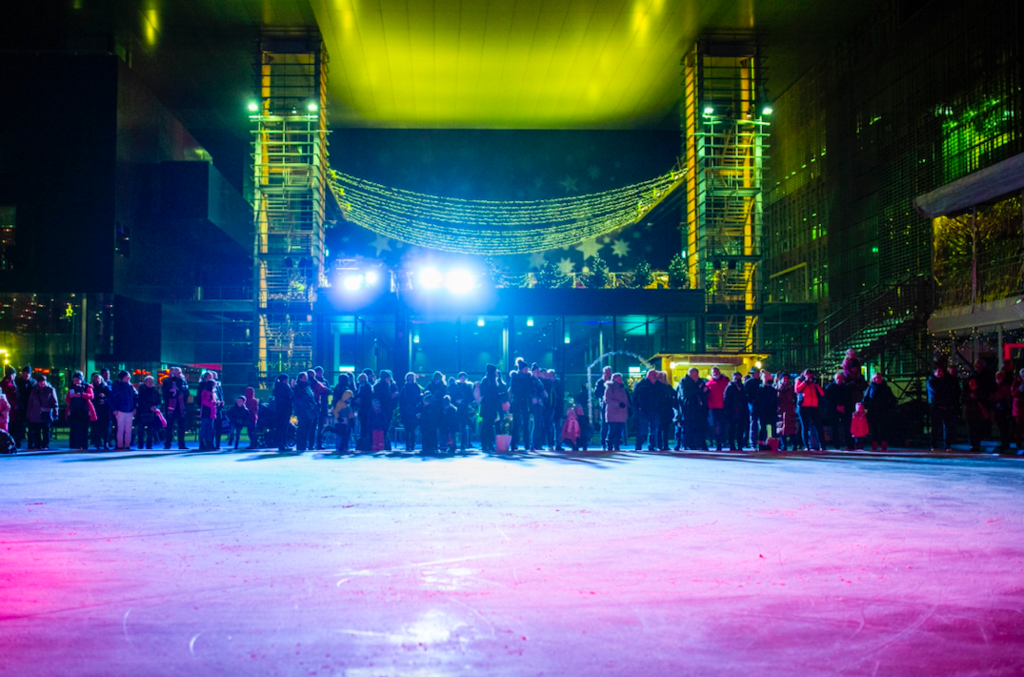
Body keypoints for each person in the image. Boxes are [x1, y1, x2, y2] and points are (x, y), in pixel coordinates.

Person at [862, 372, 897, 451]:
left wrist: (890, 406)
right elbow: (865, 399)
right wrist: (868, 405)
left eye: (879, 377)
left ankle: (884, 444)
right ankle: (874, 444)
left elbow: (892, 399)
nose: (878, 379)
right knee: (874, 429)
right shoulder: (870, 388)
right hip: (873, 411)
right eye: (876, 378)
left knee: (884, 428)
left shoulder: (886, 388)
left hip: (884, 411)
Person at [927, 365, 958, 451]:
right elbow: (936, 392)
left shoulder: (947, 381)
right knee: (935, 427)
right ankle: (933, 445)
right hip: (936, 407)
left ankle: (947, 445)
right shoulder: (931, 381)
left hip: (946, 406)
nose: (940, 373)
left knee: (947, 427)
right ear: (934, 372)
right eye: (939, 371)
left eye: (942, 372)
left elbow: (951, 392)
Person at [678, 368, 709, 450]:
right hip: (688, 408)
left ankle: (700, 443)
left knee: (700, 427)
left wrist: (705, 390)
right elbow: (686, 394)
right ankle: (688, 444)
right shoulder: (684, 382)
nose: (696, 377)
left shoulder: (701, 381)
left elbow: (705, 391)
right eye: (695, 375)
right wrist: (699, 390)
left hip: (700, 409)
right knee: (688, 427)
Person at [478, 364, 506, 452]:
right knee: (486, 426)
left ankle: (488, 444)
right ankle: (485, 444)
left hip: (490, 407)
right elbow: (489, 394)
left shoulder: (488, 381)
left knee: (488, 426)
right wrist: (499, 396)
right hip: (488, 407)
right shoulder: (487, 381)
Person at [26, 374, 58, 450]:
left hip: (46, 413)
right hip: (35, 413)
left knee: (46, 430)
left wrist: (55, 413)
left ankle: (45, 444)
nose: (42, 383)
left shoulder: (50, 390)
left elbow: (55, 402)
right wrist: (29, 414)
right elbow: (30, 402)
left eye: (43, 381)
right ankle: (37, 444)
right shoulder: (34, 390)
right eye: (40, 382)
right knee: (37, 430)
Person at [795, 369, 824, 451]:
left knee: (818, 426)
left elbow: (822, 393)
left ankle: (822, 444)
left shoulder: (814, 383)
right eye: (807, 374)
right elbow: (797, 390)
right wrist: (805, 382)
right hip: (804, 407)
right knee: (805, 426)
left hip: (814, 406)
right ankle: (806, 445)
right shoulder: (800, 381)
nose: (809, 376)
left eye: (810, 375)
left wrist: (816, 385)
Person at [63, 371, 94, 450]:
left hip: (84, 410)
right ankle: (74, 444)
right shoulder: (71, 387)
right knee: (74, 428)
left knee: (84, 428)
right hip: (74, 410)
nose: (76, 381)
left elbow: (91, 396)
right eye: (75, 379)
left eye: (77, 379)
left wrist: (81, 395)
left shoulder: (87, 386)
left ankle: (83, 444)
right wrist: (71, 396)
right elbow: (67, 399)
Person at [633, 369, 662, 451]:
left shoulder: (658, 385)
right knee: (642, 429)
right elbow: (635, 397)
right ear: (648, 376)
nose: (655, 377)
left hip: (655, 410)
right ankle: (638, 445)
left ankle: (652, 445)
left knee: (654, 429)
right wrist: (638, 407)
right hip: (644, 410)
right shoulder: (642, 385)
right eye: (653, 375)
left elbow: (662, 397)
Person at [161, 367, 189, 450]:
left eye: (180, 372)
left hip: (180, 407)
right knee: (169, 426)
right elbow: (165, 394)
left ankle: (181, 443)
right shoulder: (167, 382)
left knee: (181, 426)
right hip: (171, 407)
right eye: (178, 372)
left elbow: (187, 393)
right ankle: (167, 443)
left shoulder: (183, 381)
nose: (179, 374)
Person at [108, 371, 137, 451]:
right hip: (121, 410)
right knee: (121, 429)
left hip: (129, 410)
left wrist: (135, 408)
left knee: (128, 429)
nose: (129, 378)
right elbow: (111, 398)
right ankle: (120, 445)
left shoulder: (130, 386)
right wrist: (114, 409)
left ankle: (127, 445)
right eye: (127, 377)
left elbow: (135, 398)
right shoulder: (117, 386)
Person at [824, 372, 852, 450]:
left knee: (846, 427)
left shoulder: (846, 388)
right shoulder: (830, 388)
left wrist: (844, 407)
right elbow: (827, 400)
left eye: (840, 378)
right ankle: (836, 444)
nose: (839, 380)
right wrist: (836, 407)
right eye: (837, 378)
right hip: (833, 410)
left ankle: (848, 444)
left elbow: (848, 399)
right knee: (834, 428)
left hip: (844, 410)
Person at [509, 360, 532, 452]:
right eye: (525, 368)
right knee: (516, 424)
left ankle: (527, 444)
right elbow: (514, 389)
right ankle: (514, 443)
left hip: (525, 402)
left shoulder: (528, 377)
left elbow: (530, 389)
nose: (527, 370)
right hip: (517, 402)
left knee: (526, 424)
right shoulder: (515, 377)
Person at [603, 372, 630, 451]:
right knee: (613, 430)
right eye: (619, 378)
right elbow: (607, 399)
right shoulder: (610, 387)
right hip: (613, 413)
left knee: (619, 430)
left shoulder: (622, 388)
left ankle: (617, 445)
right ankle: (610, 444)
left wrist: (628, 406)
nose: (620, 380)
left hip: (621, 413)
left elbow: (626, 399)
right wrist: (618, 404)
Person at [962, 377, 990, 453]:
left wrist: (977, 396)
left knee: (978, 430)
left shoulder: (980, 391)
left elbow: (984, 399)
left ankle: (977, 444)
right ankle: (972, 444)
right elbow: (963, 400)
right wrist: (969, 397)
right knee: (971, 430)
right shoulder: (966, 391)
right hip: (969, 413)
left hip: (978, 413)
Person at [292, 372, 318, 452]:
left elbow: (311, 398)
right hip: (302, 412)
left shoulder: (307, 387)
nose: (306, 378)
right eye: (304, 377)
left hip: (308, 411)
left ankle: (303, 444)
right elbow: (299, 400)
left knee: (307, 429)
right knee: (302, 428)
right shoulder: (298, 388)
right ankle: (301, 445)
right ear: (300, 378)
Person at [705, 367, 729, 452]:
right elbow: (707, 397)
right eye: (713, 372)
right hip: (715, 408)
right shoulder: (709, 384)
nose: (715, 374)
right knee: (717, 427)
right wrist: (710, 406)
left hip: (726, 408)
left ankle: (725, 441)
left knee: (725, 426)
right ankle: (719, 444)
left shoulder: (726, 382)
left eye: (716, 372)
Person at [135, 375, 162, 450]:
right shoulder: (142, 390)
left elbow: (159, 401)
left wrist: (156, 407)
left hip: (152, 413)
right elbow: (140, 401)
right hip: (143, 413)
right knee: (141, 430)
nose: (151, 383)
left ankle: (149, 445)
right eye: (149, 381)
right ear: (145, 382)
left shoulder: (155, 390)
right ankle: (140, 445)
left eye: (152, 381)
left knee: (151, 430)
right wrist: (149, 407)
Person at [14, 366, 37, 450]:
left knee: (32, 427)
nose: (26, 375)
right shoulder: (17, 382)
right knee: (19, 426)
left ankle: (31, 444)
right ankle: (17, 443)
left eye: (28, 373)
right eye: (24, 373)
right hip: (21, 406)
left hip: (31, 407)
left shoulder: (34, 383)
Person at [330, 374, 355, 454]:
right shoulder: (345, 389)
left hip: (337, 409)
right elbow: (348, 400)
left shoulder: (336, 388)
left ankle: (339, 446)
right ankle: (344, 446)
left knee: (340, 428)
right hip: (344, 410)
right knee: (346, 429)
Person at [451, 372, 475, 451]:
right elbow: (452, 396)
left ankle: (463, 444)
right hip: (457, 409)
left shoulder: (468, 387)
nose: (463, 379)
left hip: (464, 409)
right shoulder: (456, 387)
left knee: (463, 427)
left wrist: (463, 401)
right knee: (454, 427)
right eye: (461, 378)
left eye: (464, 378)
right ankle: (453, 444)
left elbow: (471, 398)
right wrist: (456, 401)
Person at [723, 372, 747, 451]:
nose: (738, 380)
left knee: (740, 429)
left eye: (739, 378)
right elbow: (726, 400)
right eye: (736, 378)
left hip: (741, 412)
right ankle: (731, 445)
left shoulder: (742, 387)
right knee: (732, 429)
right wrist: (727, 411)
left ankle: (740, 444)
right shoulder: (729, 387)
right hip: (732, 412)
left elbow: (744, 400)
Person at [775, 373, 799, 451]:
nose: (785, 380)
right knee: (781, 428)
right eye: (784, 378)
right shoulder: (777, 388)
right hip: (781, 410)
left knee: (792, 428)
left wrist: (794, 406)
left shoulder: (791, 388)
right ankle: (783, 445)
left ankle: (794, 444)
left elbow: (795, 398)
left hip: (789, 409)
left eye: (786, 378)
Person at [754, 373, 778, 449]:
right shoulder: (761, 390)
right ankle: (763, 443)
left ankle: (768, 443)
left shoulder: (764, 390)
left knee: (767, 428)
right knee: (763, 428)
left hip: (768, 411)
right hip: (764, 411)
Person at [991, 370, 1013, 453]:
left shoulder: (1005, 386)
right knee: (1001, 427)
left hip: (1004, 409)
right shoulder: (995, 386)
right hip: (998, 409)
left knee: (1005, 427)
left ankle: (1005, 442)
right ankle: (1004, 442)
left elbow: (1007, 397)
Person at [90, 372, 112, 450]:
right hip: (96, 410)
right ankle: (98, 443)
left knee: (106, 427)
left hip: (105, 410)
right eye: (95, 379)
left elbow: (110, 398)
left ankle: (106, 442)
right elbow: (90, 398)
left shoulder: (106, 387)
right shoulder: (92, 388)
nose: (97, 380)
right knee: (97, 427)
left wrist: (104, 399)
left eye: (98, 379)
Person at [271, 373, 293, 451]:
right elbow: (286, 397)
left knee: (284, 427)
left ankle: (284, 443)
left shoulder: (281, 387)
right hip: (283, 410)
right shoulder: (281, 387)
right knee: (282, 427)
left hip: (283, 410)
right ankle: (282, 444)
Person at [594, 366, 613, 450]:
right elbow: (596, 393)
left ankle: (611, 440)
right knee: (604, 424)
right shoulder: (600, 382)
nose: (607, 374)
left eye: (609, 372)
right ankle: (603, 442)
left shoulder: (613, 382)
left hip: (613, 406)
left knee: (613, 424)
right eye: (606, 372)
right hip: (604, 406)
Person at [656, 371, 675, 451]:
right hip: (659, 410)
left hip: (667, 410)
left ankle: (665, 444)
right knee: (659, 428)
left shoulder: (668, 387)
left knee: (666, 428)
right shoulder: (656, 387)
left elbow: (674, 394)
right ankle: (659, 445)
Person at [743, 369, 762, 449]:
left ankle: (761, 442)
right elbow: (745, 395)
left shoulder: (761, 382)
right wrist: (751, 401)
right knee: (753, 425)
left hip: (760, 406)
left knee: (761, 426)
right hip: (753, 407)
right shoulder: (748, 383)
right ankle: (753, 443)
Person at [312, 366, 331, 450]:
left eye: (321, 372)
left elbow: (330, 391)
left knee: (321, 425)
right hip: (316, 405)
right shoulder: (313, 382)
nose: (321, 374)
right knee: (314, 425)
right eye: (319, 372)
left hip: (323, 405)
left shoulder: (325, 381)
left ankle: (319, 443)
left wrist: (325, 389)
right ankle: (312, 443)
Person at [198, 380, 219, 451]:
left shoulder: (213, 393)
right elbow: (205, 402)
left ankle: (209, 443)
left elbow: (213, 401)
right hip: (206, 412)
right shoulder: (205, 392)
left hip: (211, 412)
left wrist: (218, 403)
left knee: (210, 429)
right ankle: (202, 443)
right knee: (204, 429)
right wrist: (214, 403)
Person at [1, 367, 18, 441]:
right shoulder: (10, 385)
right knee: (9, 428)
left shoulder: (2, 384)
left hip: (4, 413)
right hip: (10, 412)